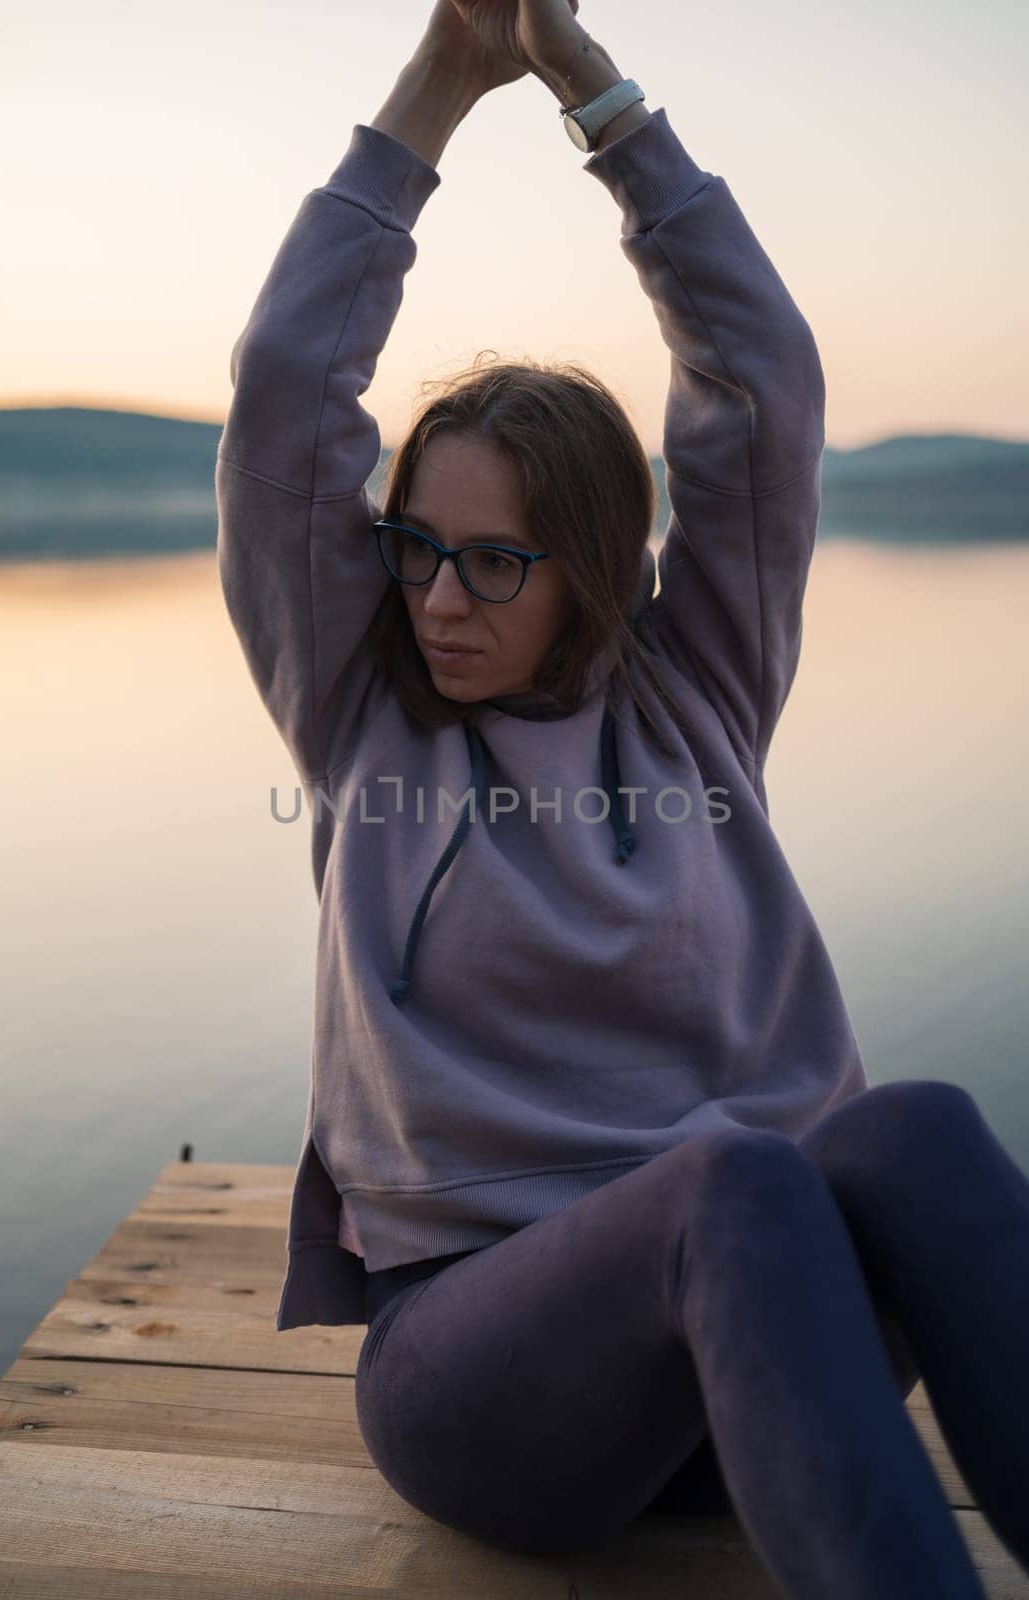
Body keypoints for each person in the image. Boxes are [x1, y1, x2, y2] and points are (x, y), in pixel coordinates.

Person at [214, 1, 1029, 1592]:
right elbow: (284, 391)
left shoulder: (697, 691)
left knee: (914, 1130)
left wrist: (598, 94)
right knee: (728, 1177)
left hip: (766, 1351)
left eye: (497, 560)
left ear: (594, 568)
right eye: (415, 545)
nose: (439, 599)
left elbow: (762, 378)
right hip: (488, 1377)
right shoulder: (360, 707)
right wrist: (450, 75)